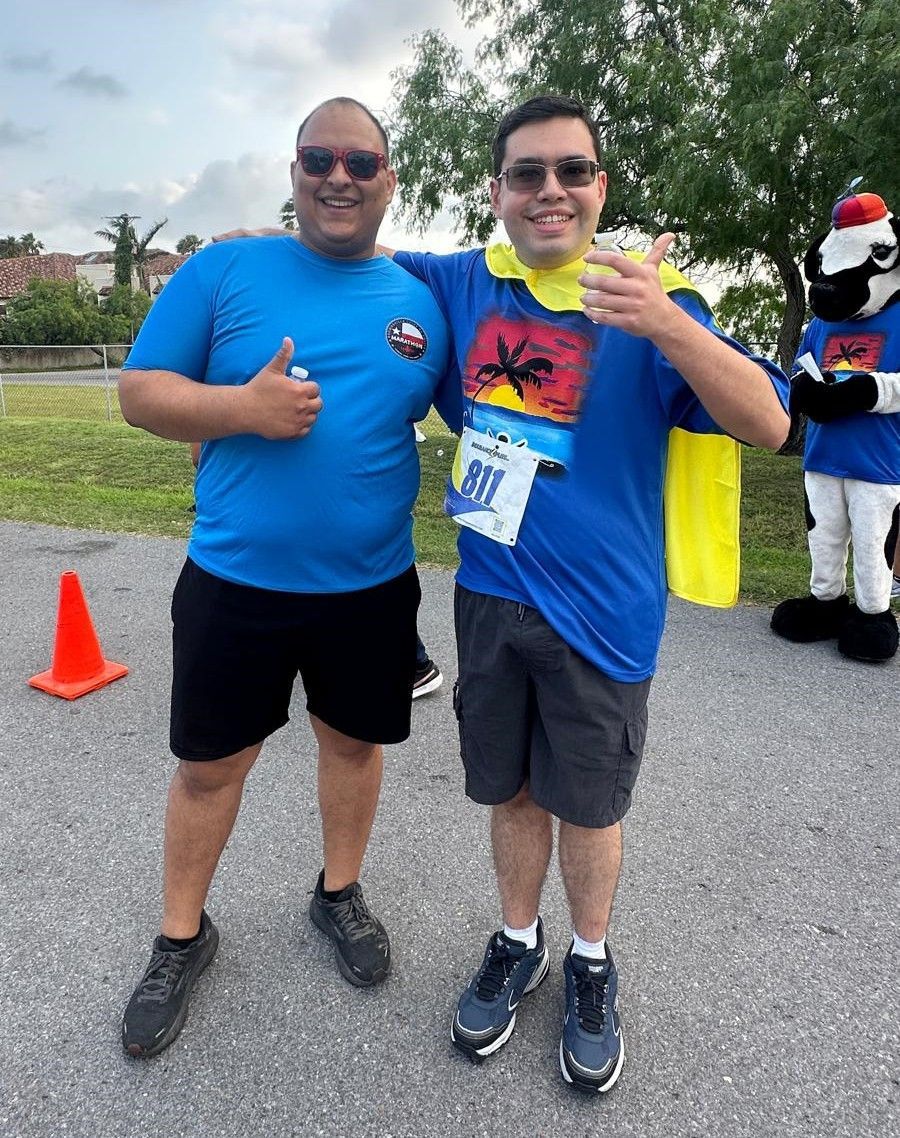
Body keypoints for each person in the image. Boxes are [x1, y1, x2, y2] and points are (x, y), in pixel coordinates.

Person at [386, 96, 790, 1092]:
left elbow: (772, 422)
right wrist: (249, 250)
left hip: (602, 616)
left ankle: (592, 960)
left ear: (600, 187)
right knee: (513, 792)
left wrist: (666, 323)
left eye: (572, 170)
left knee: (591, 806)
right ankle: (518, 940)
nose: (550, 190)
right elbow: (353, 259)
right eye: (527, 173)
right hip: (489, 596)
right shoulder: (466, 281)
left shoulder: (653, 299)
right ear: (498, 191)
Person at [117, 97, 452, 1060]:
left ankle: (337, 894)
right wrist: (241, 409)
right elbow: (139, 393)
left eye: (360, 161)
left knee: (352, 746)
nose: (339, 176)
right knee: (209, 767)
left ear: (389, 179)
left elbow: (496, 400)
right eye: (319, 158)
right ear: (295, 170)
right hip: (236, 582)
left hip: (372, 589)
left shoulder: (422, 302)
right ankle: (181, 937)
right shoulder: (224, 270)